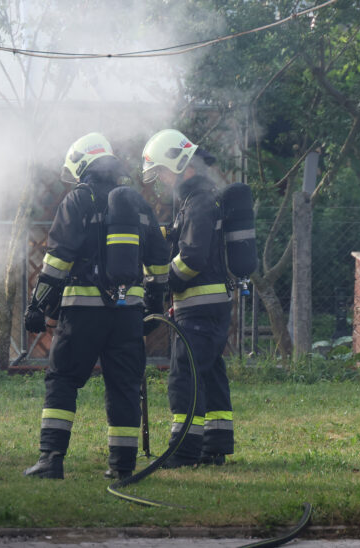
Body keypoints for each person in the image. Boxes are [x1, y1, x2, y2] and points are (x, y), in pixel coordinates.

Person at [22, 132, 169, 480]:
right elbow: (159, 260)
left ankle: (51, 459)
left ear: (82, 165)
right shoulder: (135, 202)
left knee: (62, 380)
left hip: (83, 313)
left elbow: (58, 258)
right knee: (124, 386)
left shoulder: (78, 199)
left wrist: (38, 305)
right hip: (128, 313)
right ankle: (123, 468)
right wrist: (153, 304)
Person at [141, 129, 233, 468]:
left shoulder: (200, 202)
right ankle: (215, 443)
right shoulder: (198, 199)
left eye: (163, 171)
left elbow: (193, 256)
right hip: (204, 307)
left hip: (200, 308)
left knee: (185, 376)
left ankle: (183, 450)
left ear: (180, 165)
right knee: (208, 374)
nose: (163, 180)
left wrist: (163, 281)